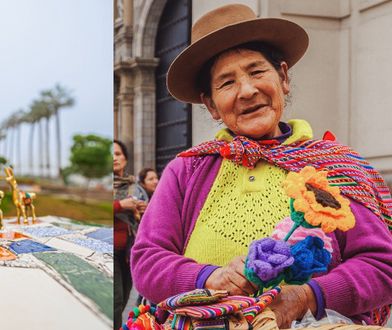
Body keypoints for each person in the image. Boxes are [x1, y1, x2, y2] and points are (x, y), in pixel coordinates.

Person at [131, 4, 392, 328]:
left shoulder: (333, 166)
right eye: (227, 83)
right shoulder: (187, 171)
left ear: (283, 77)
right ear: (211, 105)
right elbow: (147, 260)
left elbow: (382, 264)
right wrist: (212, 277)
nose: (247, 90)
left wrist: (306, 297)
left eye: (256, 72)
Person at [113, 140, 146, 330]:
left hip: (129, 250)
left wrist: (144, 209)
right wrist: (120, 205)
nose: (113, 158)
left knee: (124, 297)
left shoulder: (136, 187)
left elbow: (148, 217)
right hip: (108, 248)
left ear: (125, 158)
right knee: (115, 300)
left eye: (117, 154)